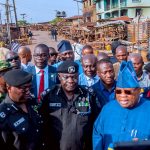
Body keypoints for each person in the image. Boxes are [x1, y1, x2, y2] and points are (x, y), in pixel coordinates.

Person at [39, 60, 100, 150]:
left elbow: (96, 123)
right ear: (59, 77)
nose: (71, 81)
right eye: (66, 77)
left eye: (74, 77)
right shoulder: (49, 96)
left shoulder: (88, 95)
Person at [93, 61, 150, 150]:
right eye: (119, 92)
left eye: (128, 92)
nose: (123, 96)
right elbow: (97, 136)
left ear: (138, 91)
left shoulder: (148, 109)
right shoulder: (108, 109)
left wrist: (145, 144)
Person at [0, 69, 44, 150]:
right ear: (9, 88)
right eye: (23, 88)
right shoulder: (3, 115)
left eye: (29, 87)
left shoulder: (32, 102)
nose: (28, 92)